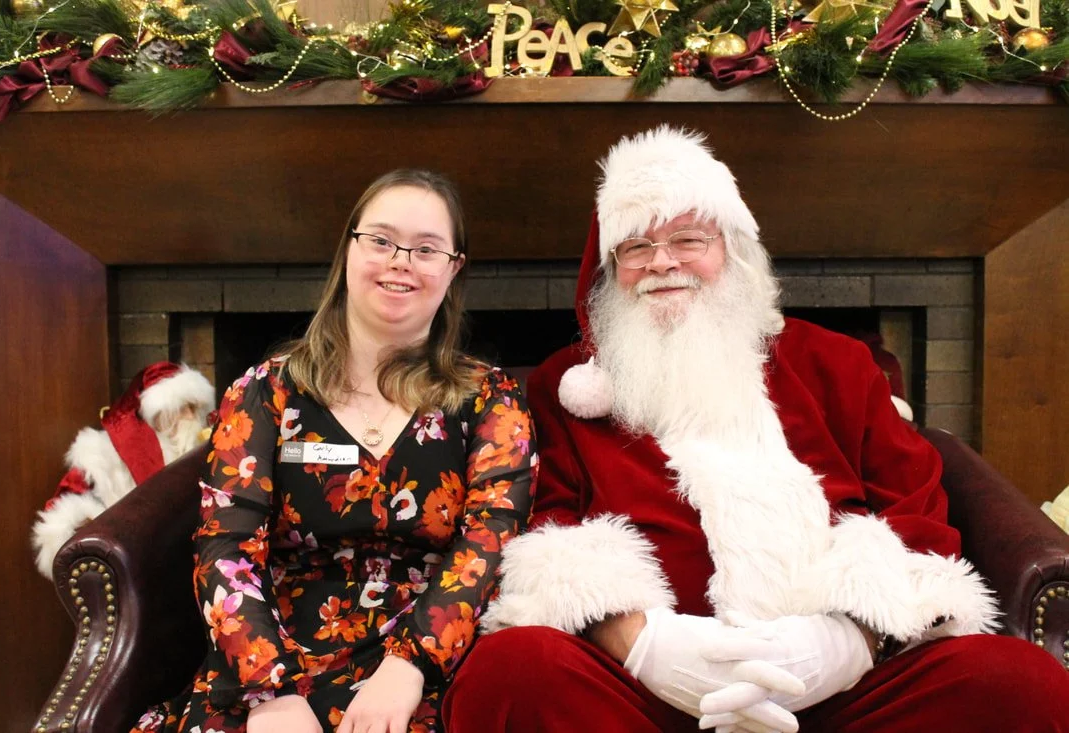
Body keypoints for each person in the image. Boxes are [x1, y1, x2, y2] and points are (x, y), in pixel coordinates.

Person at [442, 127, 1069, 733]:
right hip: (644, 699)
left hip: (845, 694)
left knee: (1018, 682)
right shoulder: (566, 387)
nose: (663, 263)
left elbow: (917, 511)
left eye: (689, 238)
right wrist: (651, 647)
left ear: (732, 252)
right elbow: (545, 529)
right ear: (611, 270)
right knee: (510, 673)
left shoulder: (837, 365)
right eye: (634, 247)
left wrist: (846, 643)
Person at [131, 169, 537, 733]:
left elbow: (491, 540)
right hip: (272, 658)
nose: (401, 260)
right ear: (349, 248)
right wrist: (269, 692)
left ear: (453, 269)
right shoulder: (265, 390)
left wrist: (410, 665)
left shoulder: (489, 398)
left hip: (428, 663)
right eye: (381, 240)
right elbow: (225, 545)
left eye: (426, 249)